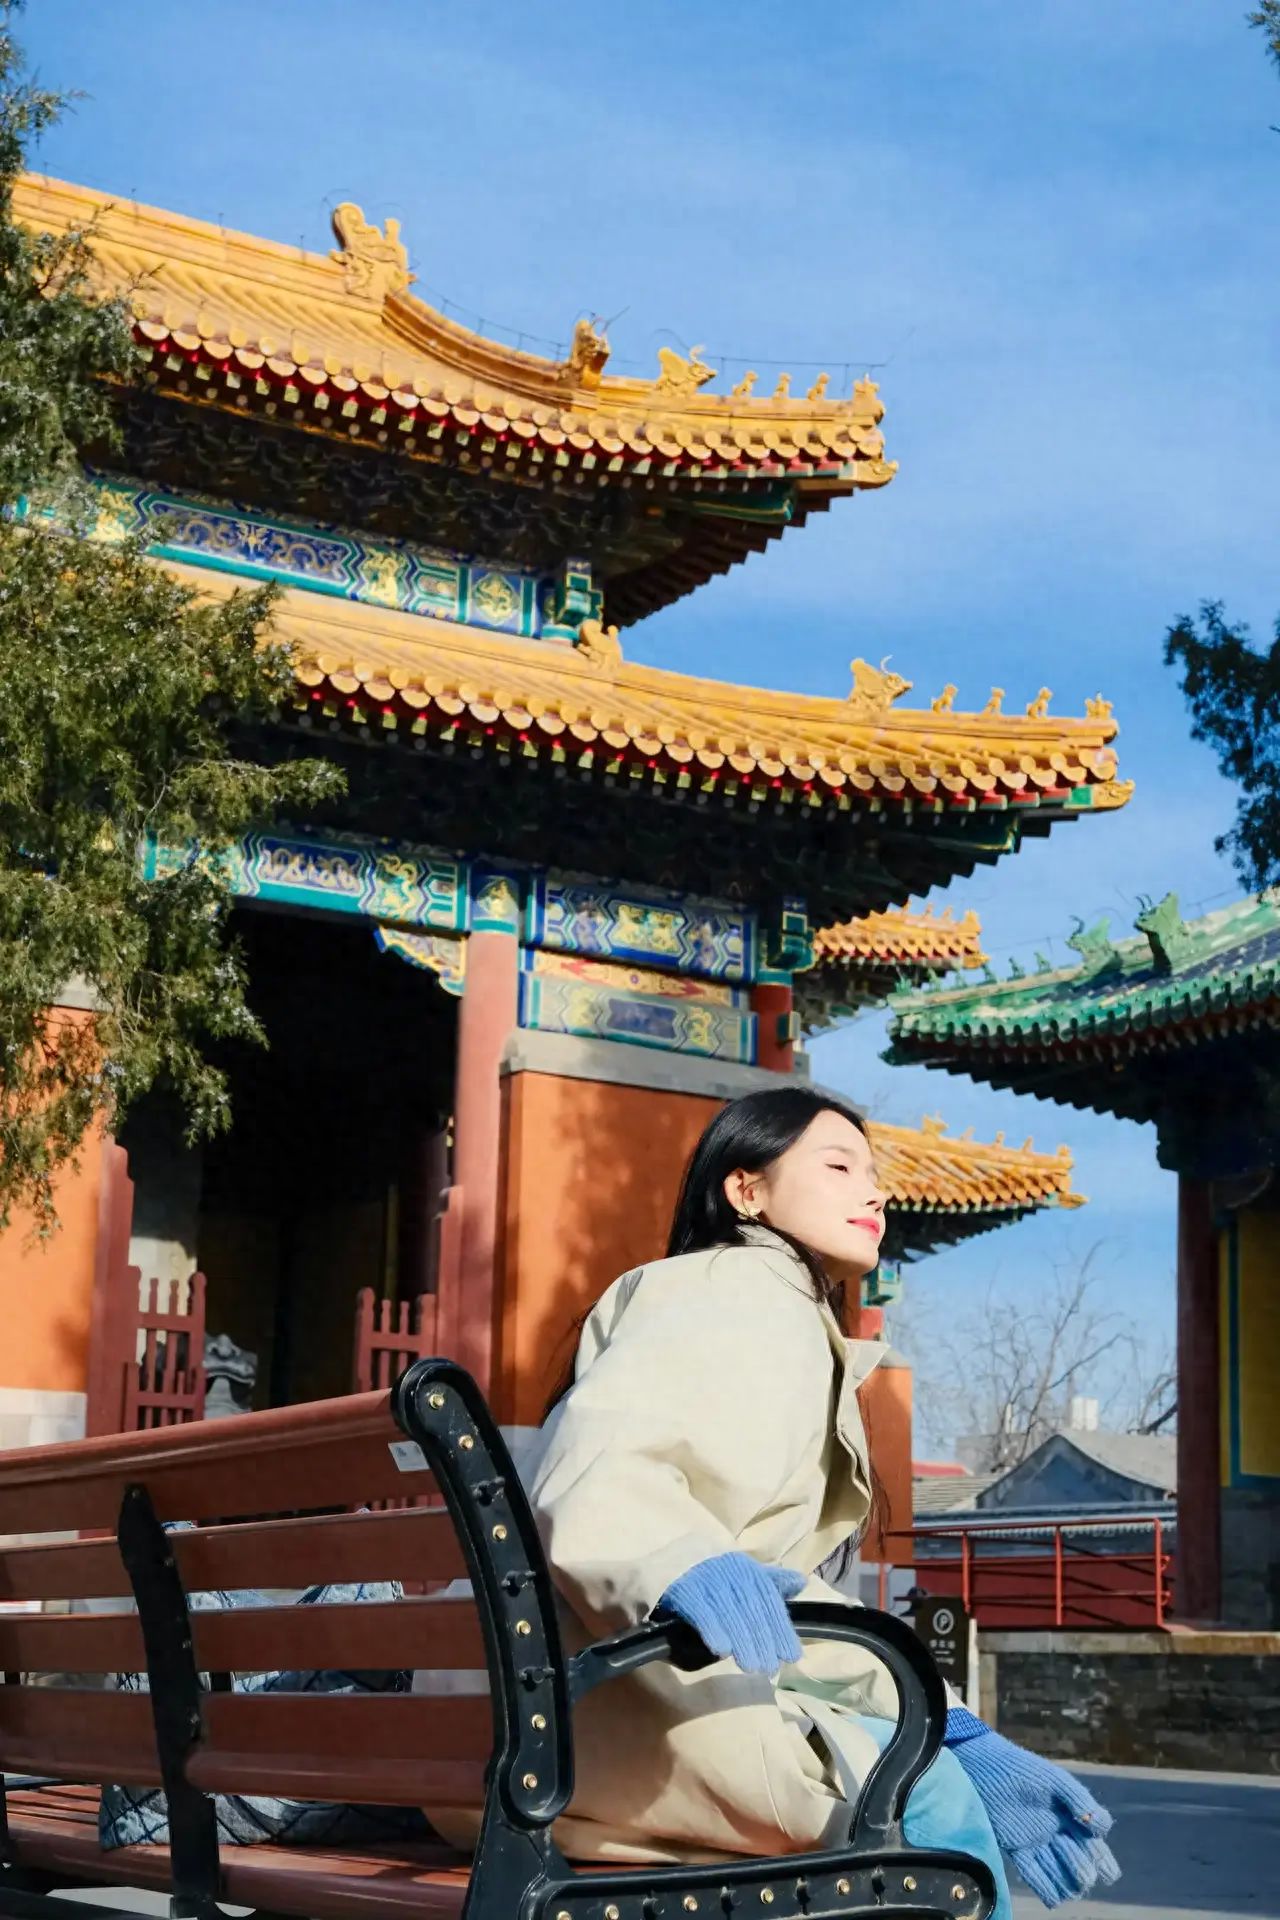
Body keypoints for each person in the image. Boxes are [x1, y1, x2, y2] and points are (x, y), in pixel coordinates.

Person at [527, 1087, 1120, 1912]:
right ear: (747, 1191)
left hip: (558, 1743)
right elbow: (599, 1462)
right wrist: (676, 1562)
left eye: (875, 1175)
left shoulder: (770, 1312)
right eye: (838, 1166)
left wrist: (956, 1723)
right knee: (931, 1797)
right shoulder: (729, 1287)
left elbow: (775, 1594)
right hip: (608, 1731)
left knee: (931, 1765)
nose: (873, 1192)